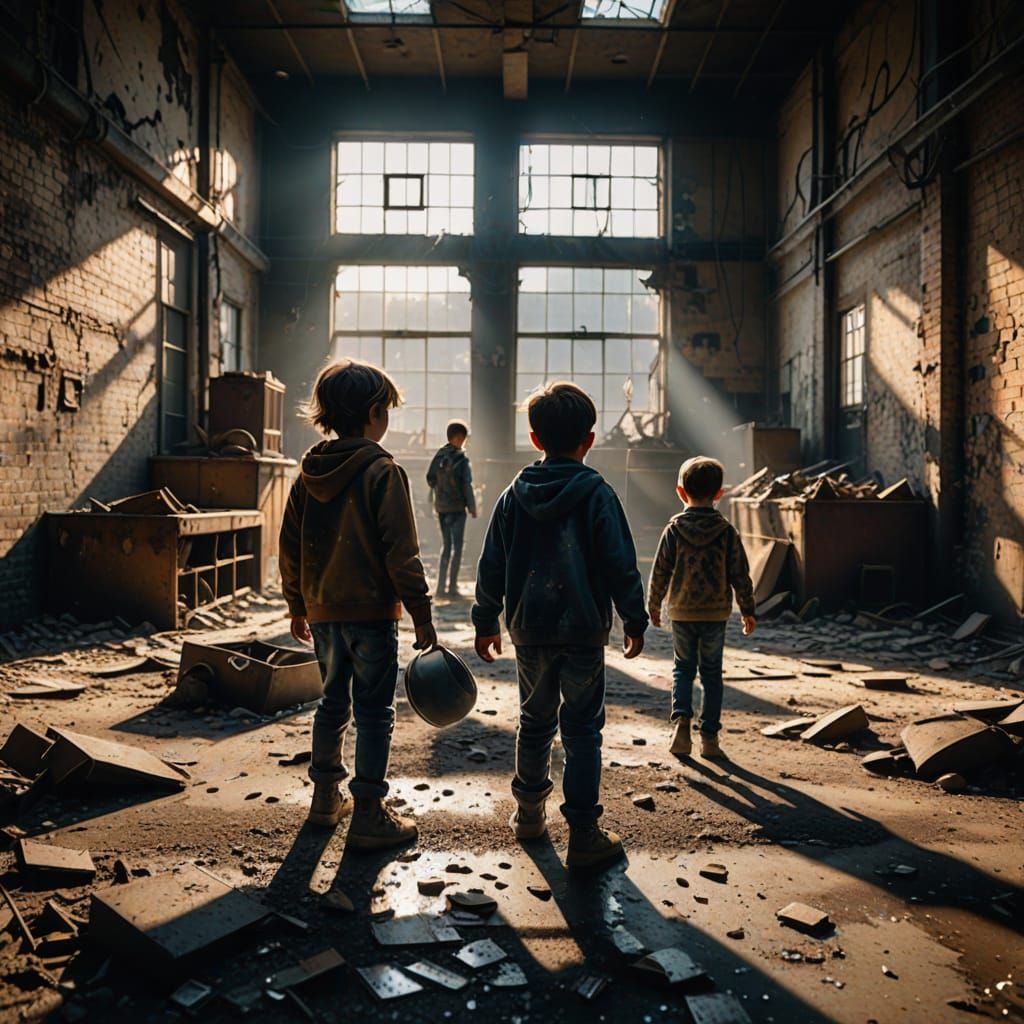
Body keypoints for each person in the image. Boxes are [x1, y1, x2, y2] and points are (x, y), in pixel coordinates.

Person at [473, 381, 648, 870]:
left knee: (534, 722)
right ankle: (584, 834)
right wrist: (634, 618)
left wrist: (485, 619)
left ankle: (529, 816)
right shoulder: (598, 494)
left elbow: (491, 562)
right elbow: (620, 563)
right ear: (589, 440)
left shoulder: (512, 496)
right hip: (583, 630)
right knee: (583, 729)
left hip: (529, 629)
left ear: (534, 438)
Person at [279, 359, 437, 848]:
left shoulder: (308, 474)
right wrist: (421, 611)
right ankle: (368, 812)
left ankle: (325, 801)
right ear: (373, 413)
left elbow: (290, 546)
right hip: (371, 614)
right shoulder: (383, 471)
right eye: (385, 410)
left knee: (332, 702)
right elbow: (401, 550)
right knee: (374, 711)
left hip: (324, 613)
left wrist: (297, 604)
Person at [647, 455, 757, 760]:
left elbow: (660, 571)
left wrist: (653, 605)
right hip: (715, 612)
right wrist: (748, 609)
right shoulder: (726, 531)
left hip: (681, 611)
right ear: (719, 493)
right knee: (711, 673)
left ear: (680, 492)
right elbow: (740, 573)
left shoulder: (674, 529)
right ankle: (709, 739)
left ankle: (681, 726)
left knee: (683, 669)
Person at [426, 420, 478, 598]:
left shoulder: (439, 456)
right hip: (457, 509)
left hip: (441, 508)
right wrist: (472, 506)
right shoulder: (461, 459)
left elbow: (429, 478)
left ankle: (441, 587)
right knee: (457, 548)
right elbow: (467, 485)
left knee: (446, 546)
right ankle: (452, 587)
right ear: (458, 438)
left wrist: (440, 493)